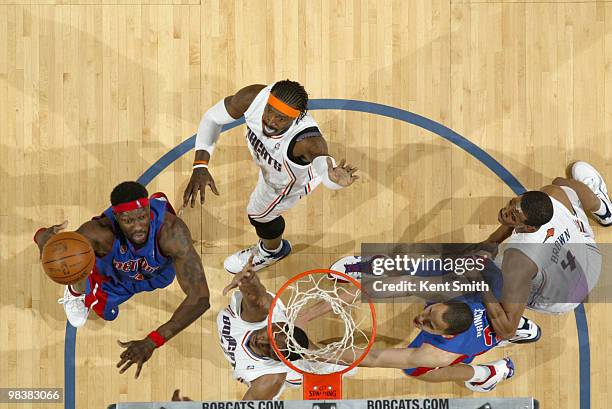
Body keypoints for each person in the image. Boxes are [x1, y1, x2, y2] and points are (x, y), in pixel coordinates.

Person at [34, 181, 211, 378]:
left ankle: (158, 204)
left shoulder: (172, 232)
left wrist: (153, 340)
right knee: (105, 310)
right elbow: (61, 251)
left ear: (147, 209)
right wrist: (43, 239)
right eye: (128, 221)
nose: (138, 227)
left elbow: (200, 298)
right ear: (116, 217)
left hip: (156, 274)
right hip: (116, 277)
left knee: (173, 256)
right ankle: (76, 291)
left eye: (143, 217)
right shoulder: (98, 233)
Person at [182, 80, 358, 274]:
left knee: (259, 215)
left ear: (296, 118)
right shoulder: (253, 97)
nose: (270, 120)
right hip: (271, 165)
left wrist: (332, 179)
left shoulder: (307, 142)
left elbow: (323, 165)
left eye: (281, 119)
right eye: (269, 111)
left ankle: (272, 251)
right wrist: (200, 165)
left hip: (285, 184)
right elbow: (212, 119)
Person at [338, 300, 518, 392]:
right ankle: (517, 330)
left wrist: (319, 353)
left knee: (414, 370)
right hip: (494, 331)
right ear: (444, 304)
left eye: (429, 324)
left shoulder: (437, 354)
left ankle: (486, 374)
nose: (420, 319)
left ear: (447, 335)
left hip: (468, 346)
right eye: (430, 311)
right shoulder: (464, 294)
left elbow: (373, 358)